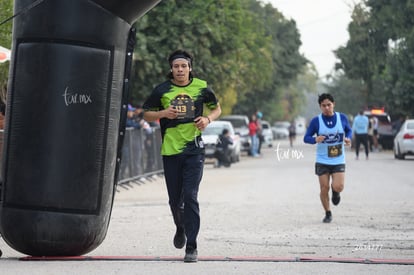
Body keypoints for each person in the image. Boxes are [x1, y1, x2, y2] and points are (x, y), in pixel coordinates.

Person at [143, 49, 221, 263]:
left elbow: (217, 108)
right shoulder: (162, 90)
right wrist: (163, 114)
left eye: (183, 66)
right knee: (174, 200)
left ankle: (192, 246)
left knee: (190, 196)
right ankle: (180, 227)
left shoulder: (202, 87)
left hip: (194, 150)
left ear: (190, 68)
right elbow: (146, 113)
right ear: (171, 69)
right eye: (176, 66)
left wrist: (207, 120)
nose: (180, 69)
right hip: (171, 151)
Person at [304, 93, 352, 223]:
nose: (326, 108)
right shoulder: (316, 121)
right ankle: (328, 212)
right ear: (320, 106)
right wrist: (315, 139)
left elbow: (349, 130)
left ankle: (336, 192)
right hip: (322, 159)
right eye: (323, 105)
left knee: (339, 186)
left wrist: (348, 138)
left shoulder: (342, 118)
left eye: (329, 105)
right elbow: (306, 138)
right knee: (324, 188)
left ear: (333, 104)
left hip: (338, 159)